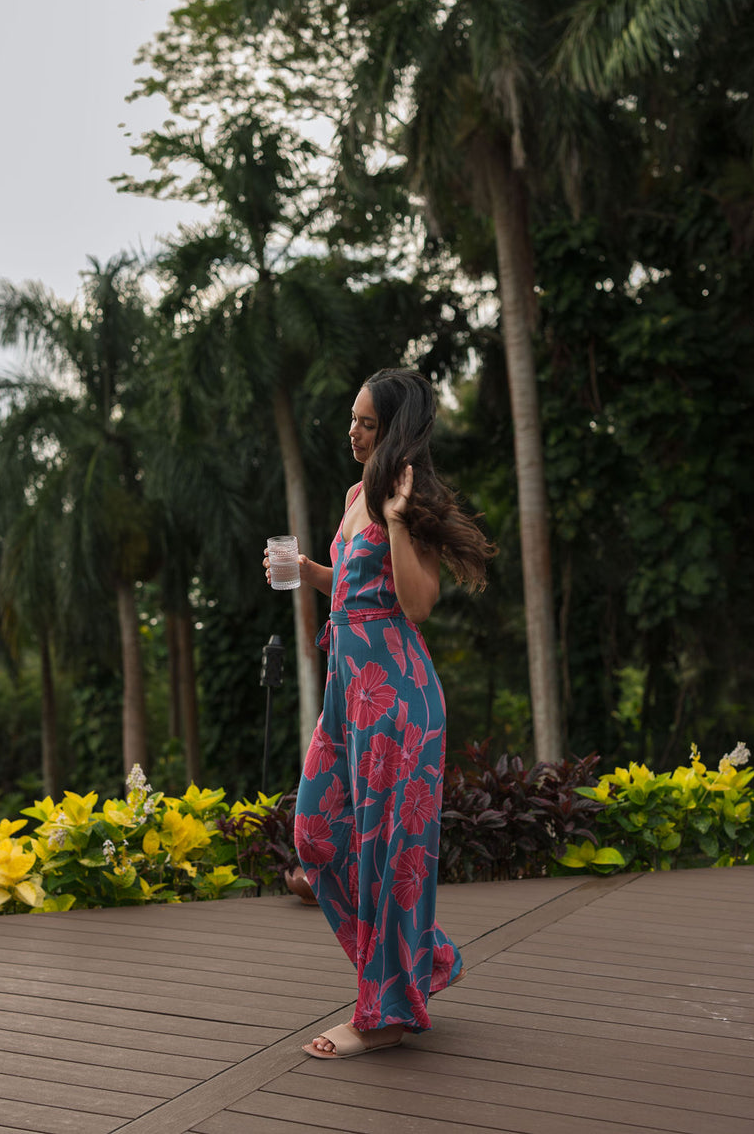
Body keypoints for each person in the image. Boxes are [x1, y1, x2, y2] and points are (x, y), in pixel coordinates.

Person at [264, 368, 493, 1060]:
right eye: (353, 418)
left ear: (395, 428)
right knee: (315, 832)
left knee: (390, 858)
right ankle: (415, 964)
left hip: (397, 700)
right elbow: (358, 587)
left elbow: (416, 600)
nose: (353, 431)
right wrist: (308, 570)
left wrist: (395, 519)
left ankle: (386, 1012)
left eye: (367, 421)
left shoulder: (405, 494)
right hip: (347, 693)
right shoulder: (352, 493)